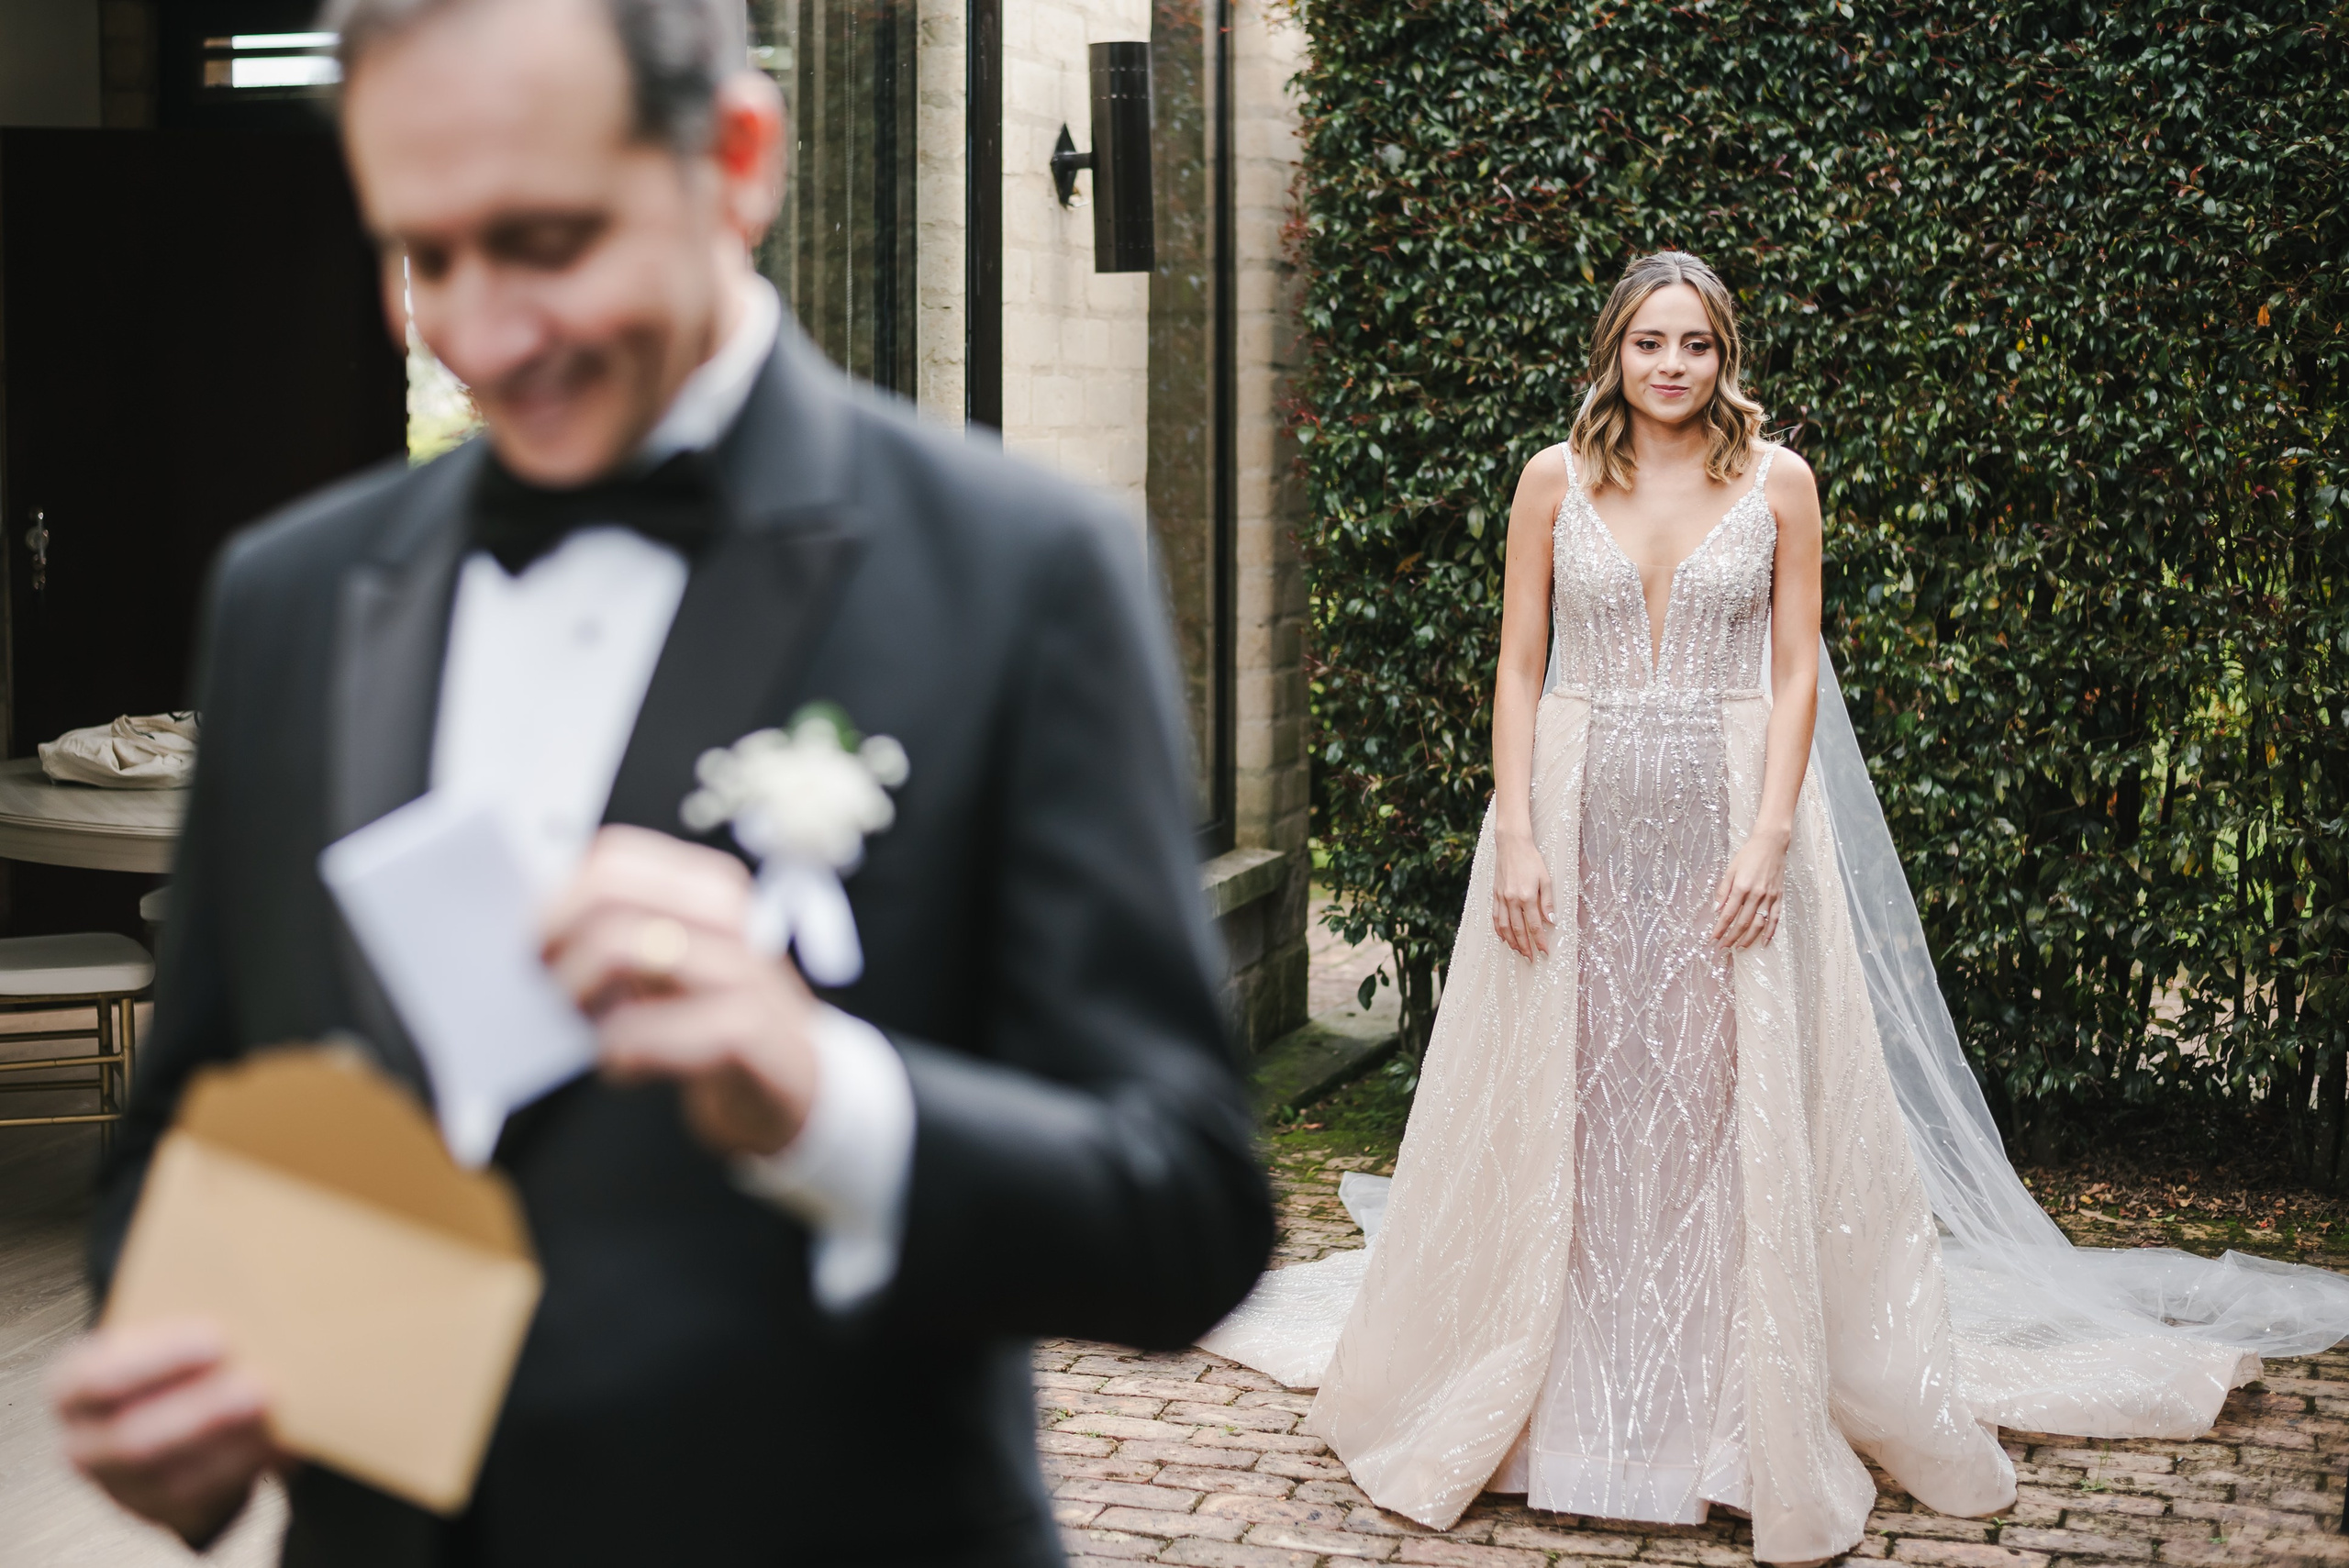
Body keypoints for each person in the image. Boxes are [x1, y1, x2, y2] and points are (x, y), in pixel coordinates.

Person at [47, 0, 1273, 1560]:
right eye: (426, 256)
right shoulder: (287, 595)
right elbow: (184, 1126)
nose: (483, 334)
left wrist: (822, 1098)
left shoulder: (1025, 573)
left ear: (740, 162)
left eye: (547, 240)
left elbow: (1188, 1213)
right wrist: (195, 1385)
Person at [1199, 250, 2349, 1563]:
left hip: (1725, 838)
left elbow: (1797, 671)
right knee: (1575, 1103)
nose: (1671, 366)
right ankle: (1544, 1412)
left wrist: (1767, 834)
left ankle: (1727, 1427)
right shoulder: (1551, 478)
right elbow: (1519, 664)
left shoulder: (1780, 482)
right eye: (1648, 344)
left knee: (1715, 1109)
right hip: (1573, 832)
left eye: (1694, 343)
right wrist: (1515, 829)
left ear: (1725, 354)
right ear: (1613, 354)